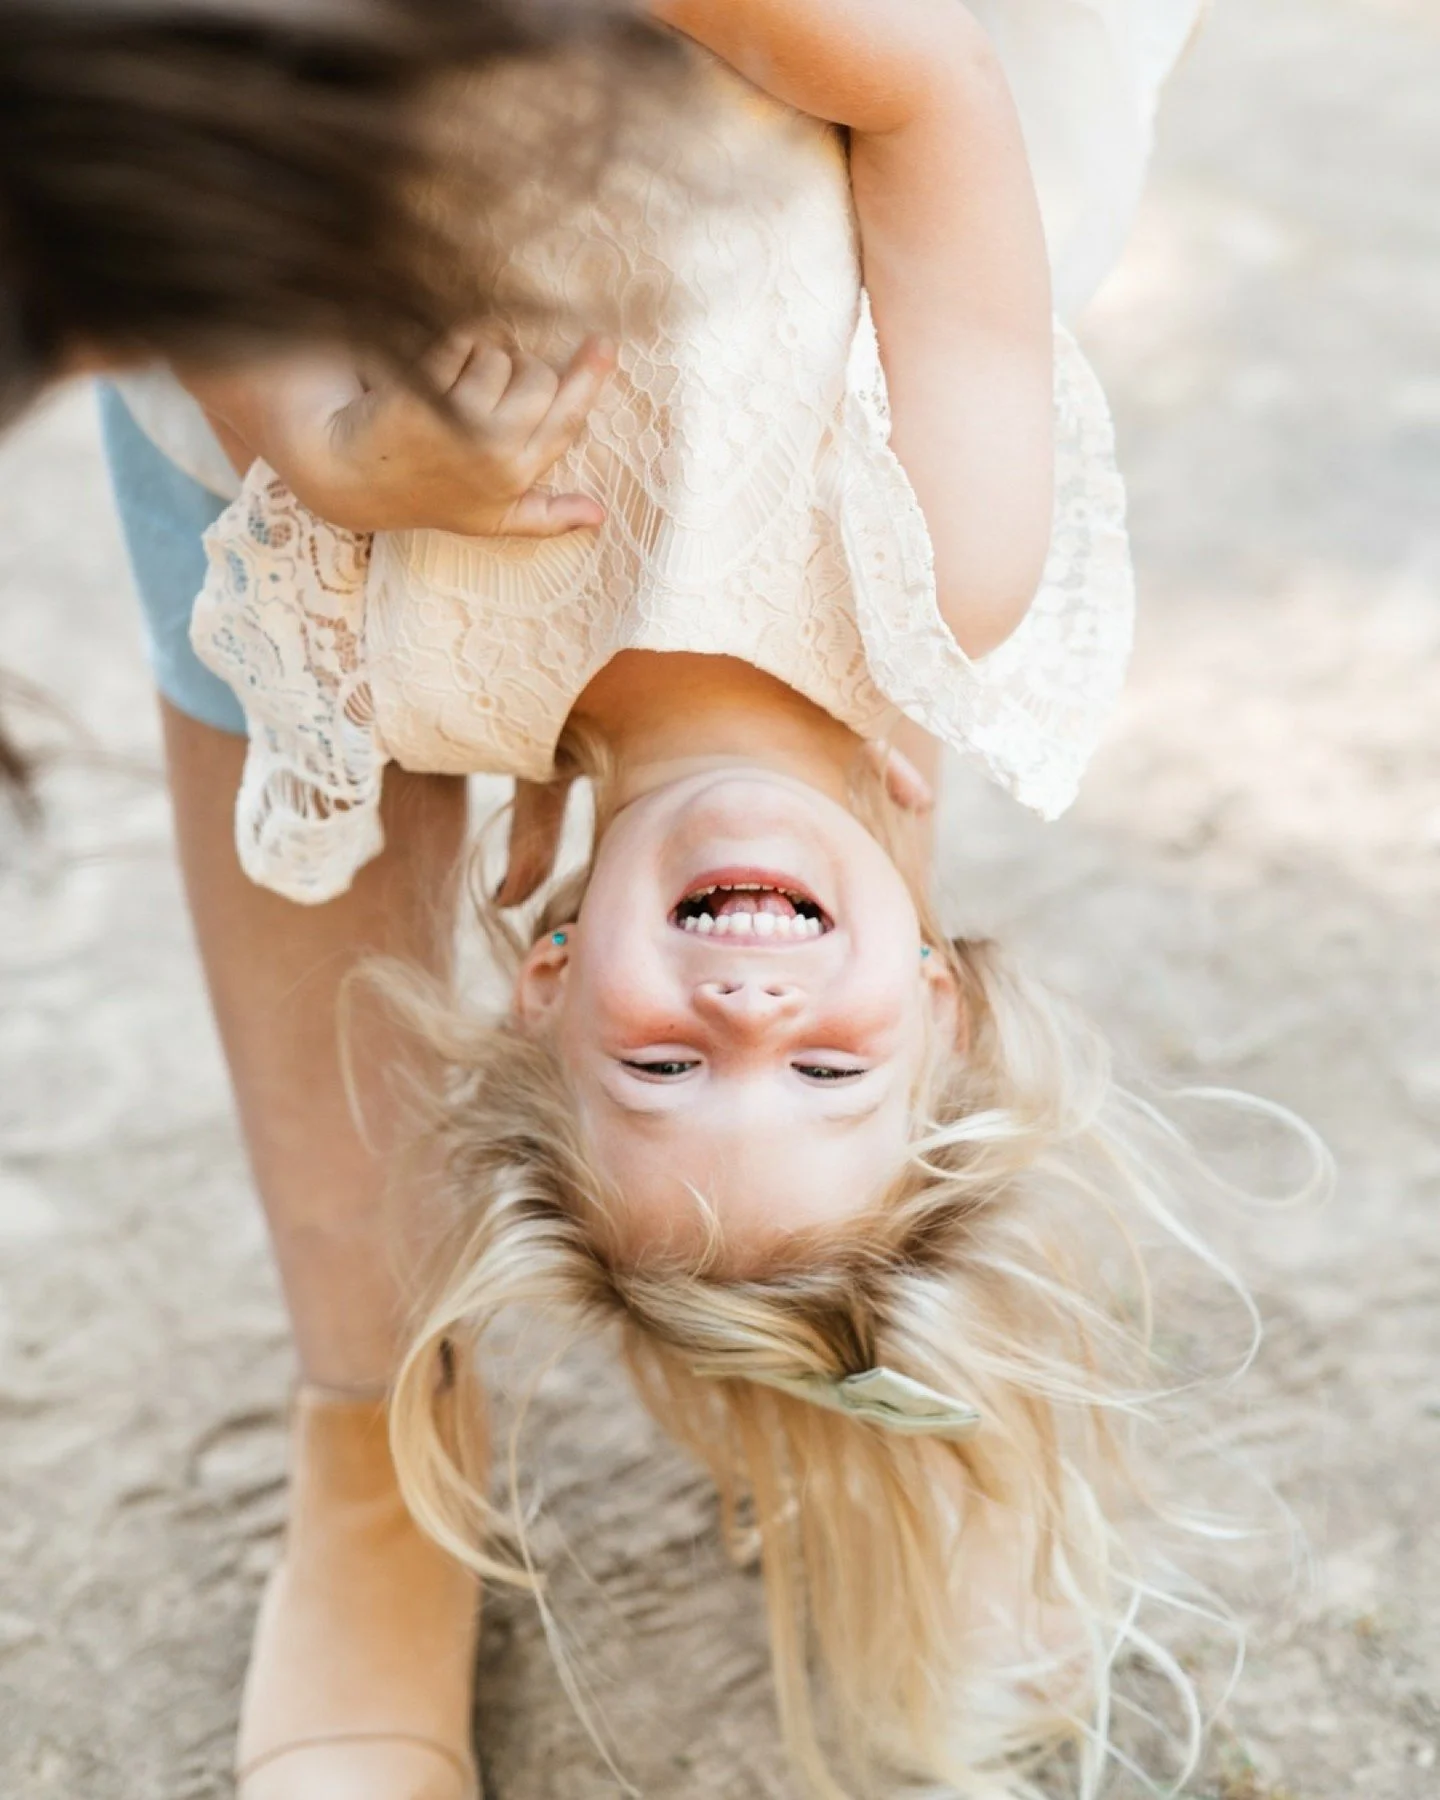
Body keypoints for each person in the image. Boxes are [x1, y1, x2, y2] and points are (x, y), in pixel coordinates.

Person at [165, 4, 1224, 1795]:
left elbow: (197, 165)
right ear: (937, 1001)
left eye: (664, 1076)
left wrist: (327, 446)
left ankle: (385, 1437)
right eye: (831, 1078)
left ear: (548, 973)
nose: (751, 1025)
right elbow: (936, 99)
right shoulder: (946, 570)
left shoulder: (417, 669)